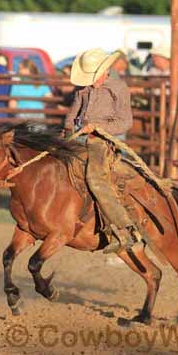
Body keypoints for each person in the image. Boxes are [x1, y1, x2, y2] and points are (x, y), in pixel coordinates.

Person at [64, 48, 137, 253]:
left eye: (94, 76)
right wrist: (71, 128)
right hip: (78, 140)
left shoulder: (118, 88)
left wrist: (98, 127)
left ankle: (123, 229)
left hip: (102, 142)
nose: (92, 81)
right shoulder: (83, 90)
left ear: (105, 70)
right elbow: (71, 116)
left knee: (96, 178)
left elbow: (125, 122)